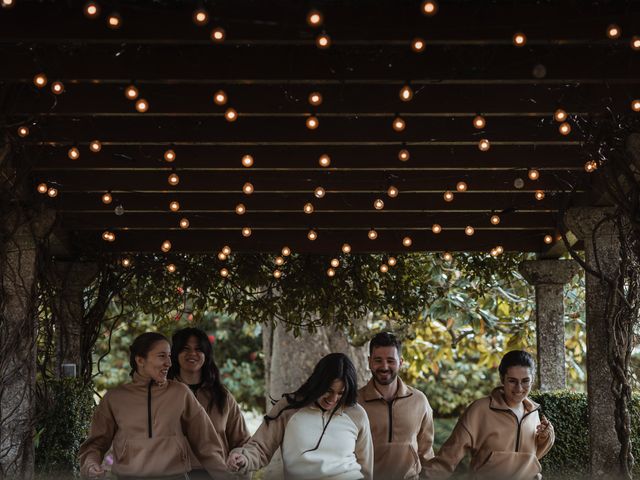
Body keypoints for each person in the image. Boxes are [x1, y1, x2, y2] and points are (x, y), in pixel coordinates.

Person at [79, 332, 229, 479]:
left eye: (169, 356)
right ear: (140, 360)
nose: (169, 363)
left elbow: (206, 444)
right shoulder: (114, 398)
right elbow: (95, 445)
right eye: (162, 356)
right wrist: (91, 464)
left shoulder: (180, 392)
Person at [226, 353, 373, 480]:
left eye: (341, 393)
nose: (333, 399)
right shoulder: (289, 407)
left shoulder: (357, 414)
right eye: (328, 390)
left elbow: (366, 467)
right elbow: (260, 447)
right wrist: (244, 458)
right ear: (317, 383)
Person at [423, 350, 555, 479]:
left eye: (525, 381)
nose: (519, 388)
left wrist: (545, 437)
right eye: (512, 381)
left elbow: (533, 455)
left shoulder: (533, 412)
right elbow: (449, 457)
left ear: (532, 380)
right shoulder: (479, 410)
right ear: (502, 379)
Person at [169, 327, 251, 480]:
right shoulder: (162, 394)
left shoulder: (223, 396)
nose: (192, 353)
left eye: (199, 349)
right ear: (175, 354)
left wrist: (237, 456)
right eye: (185, 348)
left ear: (206, 354)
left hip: (216, 475)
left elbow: (243, 441)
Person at [357, 332, 434, 480]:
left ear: (401, 362)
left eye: (391, 360)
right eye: (378, 360)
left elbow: (426, 452)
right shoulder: (355, 402)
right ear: (369, 362)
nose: (384, 366)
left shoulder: (419, 401)